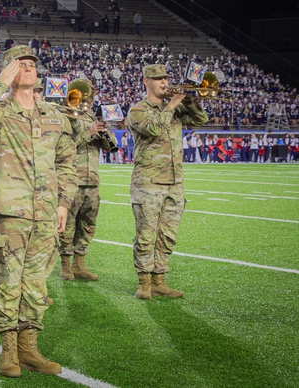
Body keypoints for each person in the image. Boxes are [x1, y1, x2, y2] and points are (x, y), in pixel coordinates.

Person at [0, 45, 76, 378]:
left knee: (37, 284)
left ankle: (29, 349)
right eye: (20, 65)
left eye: (31, 64)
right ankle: (9, 352)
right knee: (9, 283)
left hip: (44, 213)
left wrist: (63, 203)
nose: (28, 68)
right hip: (10, 212)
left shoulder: (54, 115)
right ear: (9, 72)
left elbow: (66, 162)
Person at [126, 63, 208, 300]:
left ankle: (159, 280)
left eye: (166, 78)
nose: (164, 82)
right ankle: (143, 282)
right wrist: (171, 106)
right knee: (145, 234)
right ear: (146, 82)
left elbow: (202, 119)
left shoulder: (176, 108)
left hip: (175, 181)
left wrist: (190, 102)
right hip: (148, 181)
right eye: (158, 78)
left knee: (168, 234)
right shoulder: (138, 109)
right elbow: (153, 128)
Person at [58, 79, 117, 282]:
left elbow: (112, 146)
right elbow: (64, 146)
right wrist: (88, 132)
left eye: (90, 95)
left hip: (92, 181)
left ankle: (79, 264)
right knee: (67, 226)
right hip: (72, 179)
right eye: (85, 95)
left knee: (88, 225)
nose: (88, 99)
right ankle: (65, 266)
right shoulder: (66, 115)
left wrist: (103, 132)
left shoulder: (92, 116)